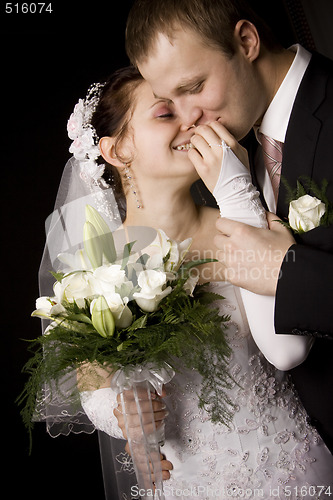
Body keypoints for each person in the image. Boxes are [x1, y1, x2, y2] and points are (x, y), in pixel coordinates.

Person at [68, 66, 333, 498]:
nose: (190, 119)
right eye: (164, 113)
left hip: (295, 465)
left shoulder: (247, 219)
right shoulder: (98, 267)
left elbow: (290, 348)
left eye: (189, 105)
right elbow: (93, 387)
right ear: (117, 151)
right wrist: (127, 418)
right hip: (191, 483)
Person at [125, 0, 333, 455]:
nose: (186, 117)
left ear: (246, 41)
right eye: (169, 102)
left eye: (193, 87)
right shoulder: (243, 143)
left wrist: (286, 270)